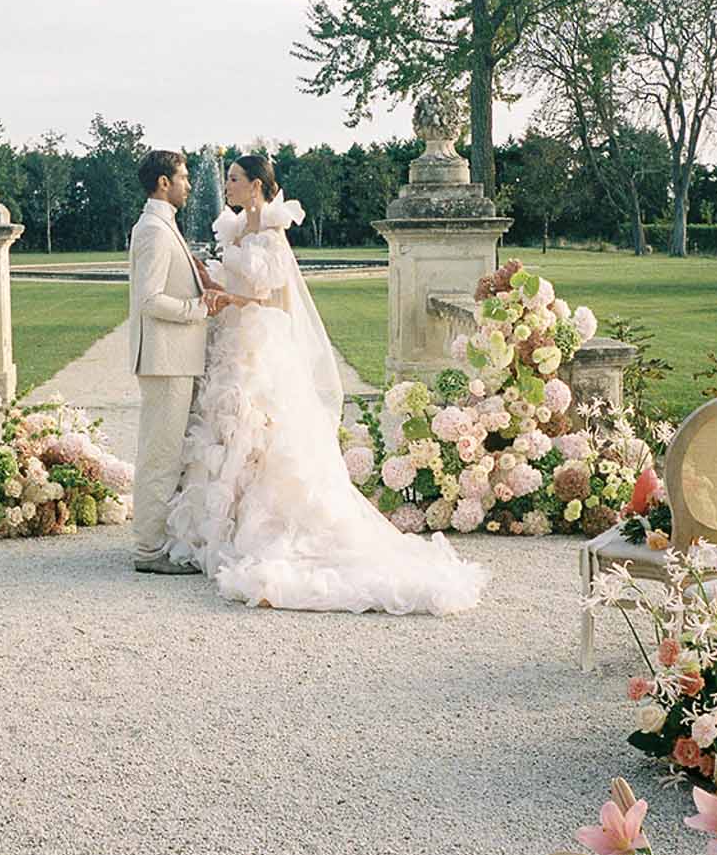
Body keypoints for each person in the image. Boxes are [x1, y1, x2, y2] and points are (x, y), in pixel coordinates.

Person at [163, 154, 488, 614]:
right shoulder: (236, 230)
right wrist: (208, 278)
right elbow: (237, 279)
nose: (228, 186)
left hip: (259, 342)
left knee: (263, 435)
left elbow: (272, 296)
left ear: (256, 186)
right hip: (232, 341)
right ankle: (223, 527)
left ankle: (266, 530)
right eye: (229, 180)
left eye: (235, 179)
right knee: (228, 435)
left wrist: (226, 296)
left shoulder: (273, 236)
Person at [125, 149, 252, 574]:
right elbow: (149, 300)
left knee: (166, 452)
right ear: (164, 182)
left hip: (174, 357)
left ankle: (154, 541)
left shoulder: (162, 225)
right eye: (182, 177)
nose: (189, 185)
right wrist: (199, 309)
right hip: (166, 359)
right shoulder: (154, 231)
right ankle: (147, 550)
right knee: (159, 454)